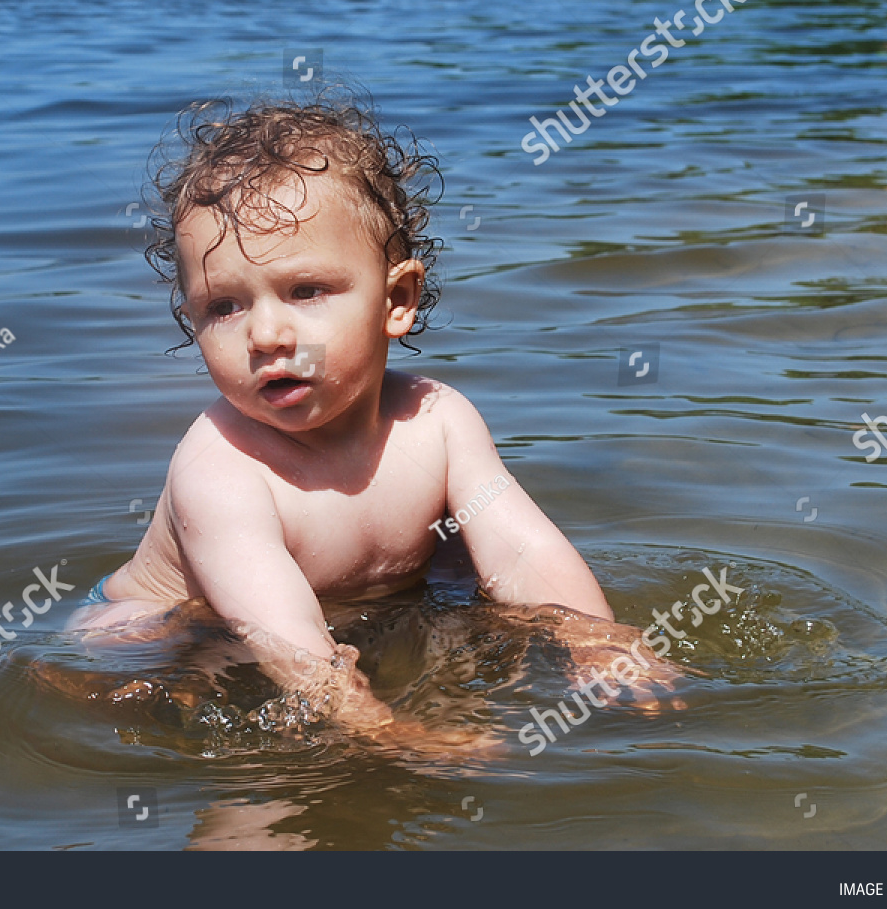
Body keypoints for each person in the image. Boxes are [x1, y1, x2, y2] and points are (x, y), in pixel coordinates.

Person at [65, 92, 674, 755]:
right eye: (225, 307)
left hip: (348, 617)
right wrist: (383, 730)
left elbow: (522, 551)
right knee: (164, 699)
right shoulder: (220, 468)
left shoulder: (439, 423)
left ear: (397, 301)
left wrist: (603, 643)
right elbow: (281, 634)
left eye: (305, 291)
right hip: (167, 632)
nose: (266, 334)